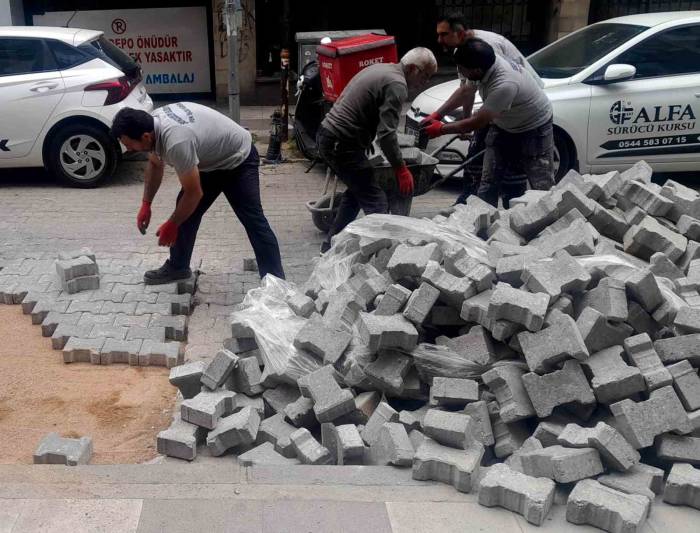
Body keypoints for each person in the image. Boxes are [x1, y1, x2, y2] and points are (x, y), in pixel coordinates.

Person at [111, 102, 285, 284]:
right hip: (210, 160)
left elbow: (194, 193)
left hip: (238, 159)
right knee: (184, 210)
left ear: (145, 137)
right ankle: (178, 267)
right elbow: (155, 165)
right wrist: (146, 204)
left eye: (130, 145)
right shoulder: (151, 126)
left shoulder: (176, 141)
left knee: (253, 219)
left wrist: (172, 224)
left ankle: (276, 282)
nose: (129, 150)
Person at [317, 47, 438, 253]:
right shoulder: (397, 84)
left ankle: (329, 247)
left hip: (332, 136)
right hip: (341, 142)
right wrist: (401, 169)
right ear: (411, 69)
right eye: (425, 76)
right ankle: (382, 259)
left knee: (357, 193)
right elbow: (387, 135)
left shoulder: (384, 69)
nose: (424, 83)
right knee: (377, 202)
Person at [425, 14, 543, 204]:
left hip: (524, 111)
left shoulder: (486, 49)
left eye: (444, 34)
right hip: (500, 110)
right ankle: (470, 202)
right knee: (480, 160)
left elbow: (480, 115)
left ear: (460, 33)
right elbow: (467, 89)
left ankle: (518, 210)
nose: (439, 40)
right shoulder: (464, 52)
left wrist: (445, 128)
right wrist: (439, 115)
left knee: (520, 171)